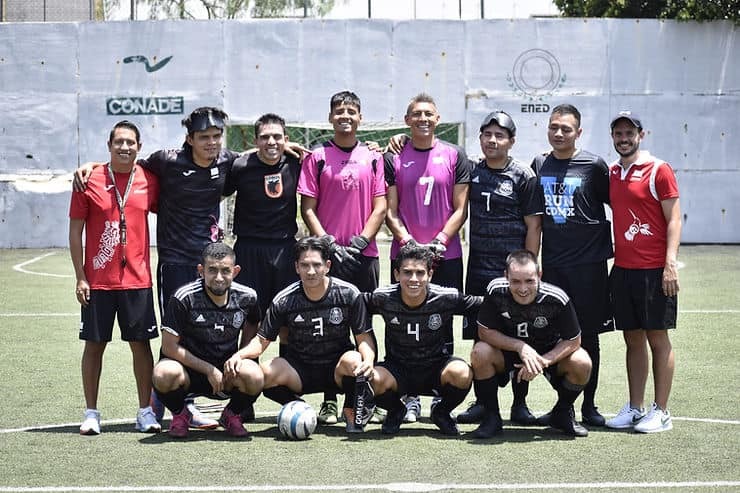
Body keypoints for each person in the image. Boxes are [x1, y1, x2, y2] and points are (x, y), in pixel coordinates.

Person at [75, 107, 248, 428]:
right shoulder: (166, 162)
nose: (212, 143)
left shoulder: (227, 161)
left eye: (216, 137)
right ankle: (172, 401)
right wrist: (93, 166)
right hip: (174, 264)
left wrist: (289, 150)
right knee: (176, 335)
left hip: (210, 267)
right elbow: (124, 166)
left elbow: (258, 156)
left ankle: (179, 401)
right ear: (189, 139)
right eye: (204, 137)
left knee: (203, 332)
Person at [298, 91, 387, 424]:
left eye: (351, 111)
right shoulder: (317, 156)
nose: (345, 116)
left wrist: (361, 241)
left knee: (365, 325)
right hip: (328, 257)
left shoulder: (374, 157)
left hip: (365, 255)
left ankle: (367, 394)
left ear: (360, 117)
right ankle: (330, 399)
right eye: (339, 111)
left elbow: (381, 206)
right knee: (331, 327)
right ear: (330, 117)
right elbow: (308, 208)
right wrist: (330, 246)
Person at [384, 93, 472, 422]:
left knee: (442, 323)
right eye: (416, 114)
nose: (423, 118)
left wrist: (439, 241)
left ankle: (440, 397)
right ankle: (407, 397)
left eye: (429, 114)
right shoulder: (394, 157)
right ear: (407, 120)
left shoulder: (454, 154)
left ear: (438, 119)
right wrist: (408, 242)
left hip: (445, 255)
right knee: (400, 323)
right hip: (405, 256)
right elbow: (390, 211)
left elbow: (460, 208)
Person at [69, 120, 161, 435]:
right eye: (118, 142)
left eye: (130, 142)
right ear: (109, 145)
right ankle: (91, 412)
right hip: (98, 281)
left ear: (139, 146)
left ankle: (145, 411)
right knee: (94, 345)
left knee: (141, 346)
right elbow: (75, 230)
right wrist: (80, 276)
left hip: (138, 280)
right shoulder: (89, 179)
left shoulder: (149, 179)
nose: (124, 147)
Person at [456, 110, 543, 426]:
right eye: (487, 134)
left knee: (520, 333)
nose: (492, 140)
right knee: (481, 338)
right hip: (478, 270)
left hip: (513, 275)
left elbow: (534, 226)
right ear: (480, 138)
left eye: (500, 135)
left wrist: (529, 269)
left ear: (511, 141)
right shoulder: (472, 171)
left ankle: (520, 405)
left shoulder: (523, 176)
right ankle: (483, 403)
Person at [242, 236, 376, 433]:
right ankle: (297, 405)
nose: (311, 271)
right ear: (296, 267)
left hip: (336, 369)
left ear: (327, 266)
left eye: (316, 265)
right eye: (305, 265)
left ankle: (351, 408)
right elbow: (261, 341)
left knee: (355, 360)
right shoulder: (284, 299)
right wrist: (239, 356)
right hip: (300, 369)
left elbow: (363, 339)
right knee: (264, 373)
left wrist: (369, 359)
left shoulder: (348, 293)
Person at [530, 103, 612, 427]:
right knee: (552, 335)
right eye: (554, 127)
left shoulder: (594, 166)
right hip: (553, 269)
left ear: (578, 132)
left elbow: (617, 204)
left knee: (588, 337)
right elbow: (534, 221)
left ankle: (589, 406)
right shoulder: (539, 164)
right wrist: (533, 260)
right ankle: (563, 403)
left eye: (566, 129)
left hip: (589, 270)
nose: (559, 133)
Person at [605, 111, 680, 433]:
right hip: (623, 269)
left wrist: (670, 264)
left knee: (657, 339)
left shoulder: (658, 169)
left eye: (629, 133)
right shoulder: (612, 173)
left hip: (655, 271)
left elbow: (674, 218)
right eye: (618, 134)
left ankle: (661, 411)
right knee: (632, 339)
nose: (624, 139)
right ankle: (635, 408)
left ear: (641, 134)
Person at [470, 250, 592, 438]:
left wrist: (543, 361)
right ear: (506, 277)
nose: (523, 288)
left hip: (547, 353)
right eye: (516, 281)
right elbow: (484, 332)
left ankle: (562, 412)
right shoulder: (495, 290)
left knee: (582, 361)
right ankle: (492, 418)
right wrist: (521, 347)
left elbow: (574, 340)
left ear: (539, 276)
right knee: (480, 352)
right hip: (508, 352)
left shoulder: (556, 298)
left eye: (529, 281)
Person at [365, 244, 481, 436]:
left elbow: (483, 305)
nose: (413, 279)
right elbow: (354, 305)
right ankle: (396, 410)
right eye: (407, 272)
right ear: (396, 274)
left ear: (430, 275)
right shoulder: (383, 298)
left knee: (462, 372)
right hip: (397, 369)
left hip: (435, 368)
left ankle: (441, 412)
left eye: (420, 273)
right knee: (372, 378)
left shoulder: (446, 297)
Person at [152, 242, 262, 438]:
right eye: (212, 270)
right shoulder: (183, 297)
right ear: (201, 270)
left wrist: (240, 356)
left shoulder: (248, 297)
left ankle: (231, 415)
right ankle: (181, 414)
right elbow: (169, 347)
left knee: (255, 375)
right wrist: (208, 369)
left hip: (226, 373)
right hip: (187, 371)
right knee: (163, 374)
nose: (219, 277)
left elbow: (253, 323)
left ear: (235, 271)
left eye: (225, 271)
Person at [225, 113, 301, 322]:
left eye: (277, 137)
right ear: (256, 140)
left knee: (288, 317)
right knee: (250, 319)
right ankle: (247, 357)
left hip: (284, 249)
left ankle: (286, 357)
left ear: (286, 139)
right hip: (249, 249)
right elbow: (219, 194)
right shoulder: (240, 166)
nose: (271, 142)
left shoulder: (297, 162)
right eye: (265, 137)